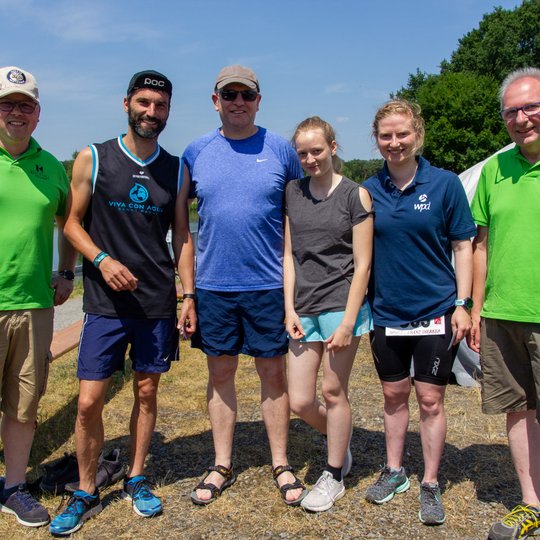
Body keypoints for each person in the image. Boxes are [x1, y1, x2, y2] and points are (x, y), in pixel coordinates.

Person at [49, 70, 196, 536]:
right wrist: (101, 259)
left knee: (147, 392)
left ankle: (135, 477)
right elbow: (70, 223)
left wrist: (187, 293)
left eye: (161, 106)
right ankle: (86, 489)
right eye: (144, 103)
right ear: (126, 103)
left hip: (156, 301)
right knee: (89, 401)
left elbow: (182, 235)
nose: (152, 113)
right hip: (106, 301)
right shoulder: (93, 157)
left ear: (169, 111)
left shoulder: (176, 168)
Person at [183, 65, 306, 506]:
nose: (238, 102)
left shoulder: (280, 150)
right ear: (215, 101)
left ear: (258, 100)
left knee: (273, 373)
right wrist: (188, 293)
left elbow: (299, 215)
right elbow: (181, 226)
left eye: (246, 95)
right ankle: (221, 463)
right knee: (220, 375)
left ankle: (280, 462)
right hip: (215, 286)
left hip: (268, 285)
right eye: (229, 95)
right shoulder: (195, 152)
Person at [362, 99, 476, 525]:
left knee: (430, 398)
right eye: (386, 136)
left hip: (436, 310)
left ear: (418, 135)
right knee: (393, 397)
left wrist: (463, 305)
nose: (395, 143)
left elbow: (463, 245)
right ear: (377, 140)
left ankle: (429, 482)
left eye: (402, 134)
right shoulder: (368, 190)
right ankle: (395, 472)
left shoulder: (444, 184)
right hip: (387, 312)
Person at [284, 117, 373, 512]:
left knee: (333, 392)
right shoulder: (292, 192)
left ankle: (334, 473)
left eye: (317, 150)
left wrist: (350, 321)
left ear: (333, 148)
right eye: (302, 153)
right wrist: (289, 308)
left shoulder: (357, 196)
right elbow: (288, 255)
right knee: (300, 401)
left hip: (341, 306)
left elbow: (363, 264)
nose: (310, 159)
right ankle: (342, 437)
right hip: (303, 308)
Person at [0, 66, 76, 527]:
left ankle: (13, 487)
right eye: (7, 103)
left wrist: (67, 271)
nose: (16, 112)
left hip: (34, 304)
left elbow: (69, 223)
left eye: (25, 105)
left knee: (24, 403)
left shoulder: (51, 167)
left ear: (38, 113)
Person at [469, 67, 540, 540]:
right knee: (517, 409)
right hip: (502, 311)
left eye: (531, 106)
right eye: (511, 110)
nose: (521, 118)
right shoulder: (495, 168)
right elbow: (480, 245)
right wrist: (475, 309)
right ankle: (531, 503)